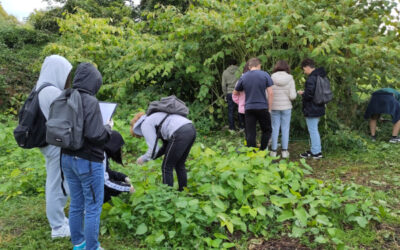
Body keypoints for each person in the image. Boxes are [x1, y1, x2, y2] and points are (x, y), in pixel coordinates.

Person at [61, 62, 112, 250]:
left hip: (66, 157)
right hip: (88, 160)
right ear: (94, 82)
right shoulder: (90, 101)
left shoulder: (65, 96)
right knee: (92, 207)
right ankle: (92, 247)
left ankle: (79, 244)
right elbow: (96, 136)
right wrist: (108, 128)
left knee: (76, 203)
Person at [36, 55, 72, 239]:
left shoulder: (40, 88)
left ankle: (60, 220)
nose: (67, 78)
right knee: (56, 184)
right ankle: (58, 227)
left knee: (57, 181)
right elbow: (70, 116)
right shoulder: (51, 92)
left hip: (48, 143)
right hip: (54, 144)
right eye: (66, 73)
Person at [130, 111, 196, 191]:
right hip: (190, 128)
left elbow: (154, 149)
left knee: (166, 167)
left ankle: (167, 195)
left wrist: (143, 159)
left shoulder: (145, 124)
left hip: (179, 132)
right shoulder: (154, 118)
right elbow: (165, 147)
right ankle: (183, 191)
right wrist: (152, 157)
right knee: (179, 164)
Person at [233, 57, 274, 150]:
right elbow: (271, 93)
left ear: (249, 66)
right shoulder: (265, 75)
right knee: (267, 130)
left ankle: (252, 154)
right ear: (258, 65)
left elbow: (235, 92)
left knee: (251, 133)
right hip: (262, 107)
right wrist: (269, 109)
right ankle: (262, 150)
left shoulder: (244, 77)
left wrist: (240, 103)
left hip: (249, 108)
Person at [298, 58, 326, 159]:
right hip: (319, 106)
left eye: (304, 69)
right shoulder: (320, 76)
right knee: (314, 129)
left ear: (307, 67)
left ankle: (317, 152)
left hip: (312, 108)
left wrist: (303, 93)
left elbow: (309, 95)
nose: (304, 71)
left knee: (313, 130)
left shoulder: (311, 78)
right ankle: (314, 149)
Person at [269, 60, 297, 158]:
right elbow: (293, 96)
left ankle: (273, 151)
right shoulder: (290, 79)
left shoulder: (271, 78)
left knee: (274, 128)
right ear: (287, 68)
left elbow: (267, 94)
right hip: (286, 107)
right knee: (285, 128)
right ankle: (284, 151)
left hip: (274, 107)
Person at [103, 131, 134, 203]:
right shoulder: (101, 156)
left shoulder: (100, 150)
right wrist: (127, 188)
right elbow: (104, 182)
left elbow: (106, 172)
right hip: (87, 191)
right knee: (106, 193)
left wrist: (123, 177)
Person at [221, 59, 241, 131]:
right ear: (236, 64)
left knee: (230, 111)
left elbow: (223, 85)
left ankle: (232, 128)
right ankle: (241, 126)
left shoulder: (225, 72)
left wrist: (225, 94)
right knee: (240, 110)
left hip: (229, 93)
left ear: (229, 65)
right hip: (239, 92)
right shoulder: (239, 71)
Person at [232, 62, 250, 132]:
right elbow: (234, 95)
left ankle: (247, 141)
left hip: (242, 108)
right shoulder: (251, 80)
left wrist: (240, 103)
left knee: (246, 127)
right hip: (250, 107)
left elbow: (234, 96)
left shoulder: (240, 81)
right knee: (250, 127)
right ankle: (249, 141)